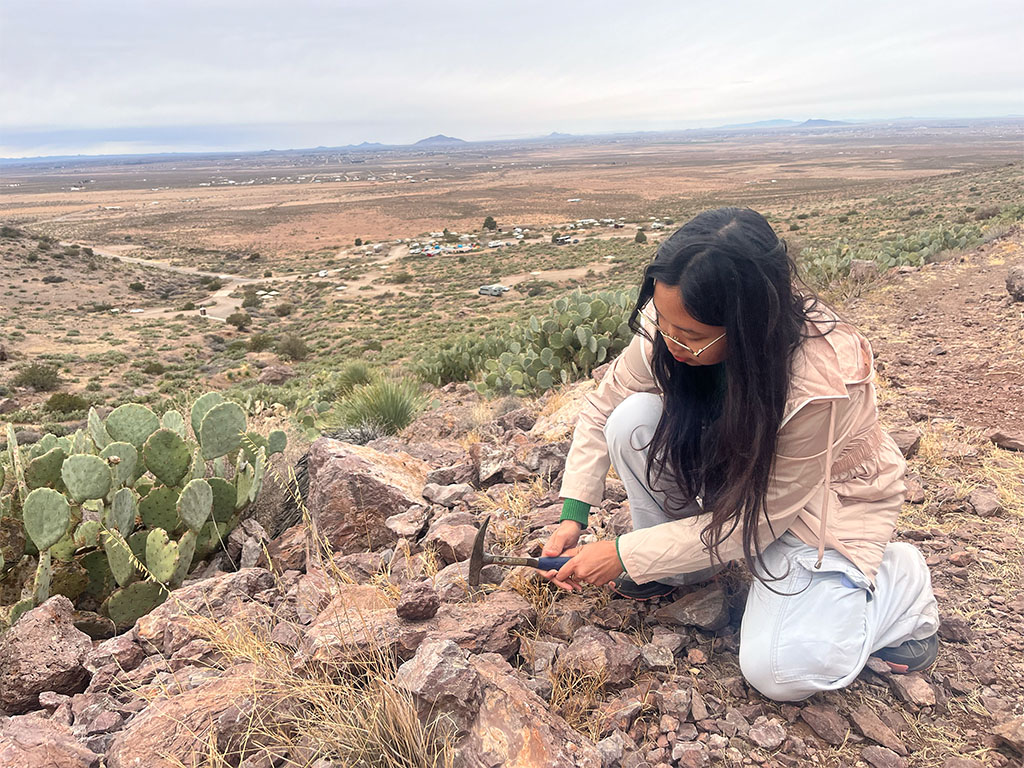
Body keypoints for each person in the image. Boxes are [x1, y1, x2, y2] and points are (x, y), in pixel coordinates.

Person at [540, 207, 939, 702]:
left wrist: (624, 553)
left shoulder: (819, 383)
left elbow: (764, 518)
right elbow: (603, 409)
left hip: (815, 506)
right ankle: (682, 569)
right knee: (631, 421)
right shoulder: (673, 320)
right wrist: (573, 515)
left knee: (780, 672)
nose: (670, 341)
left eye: (690, 335)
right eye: (663, 323)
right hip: (737, 466)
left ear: (748, 323)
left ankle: (901, 589)